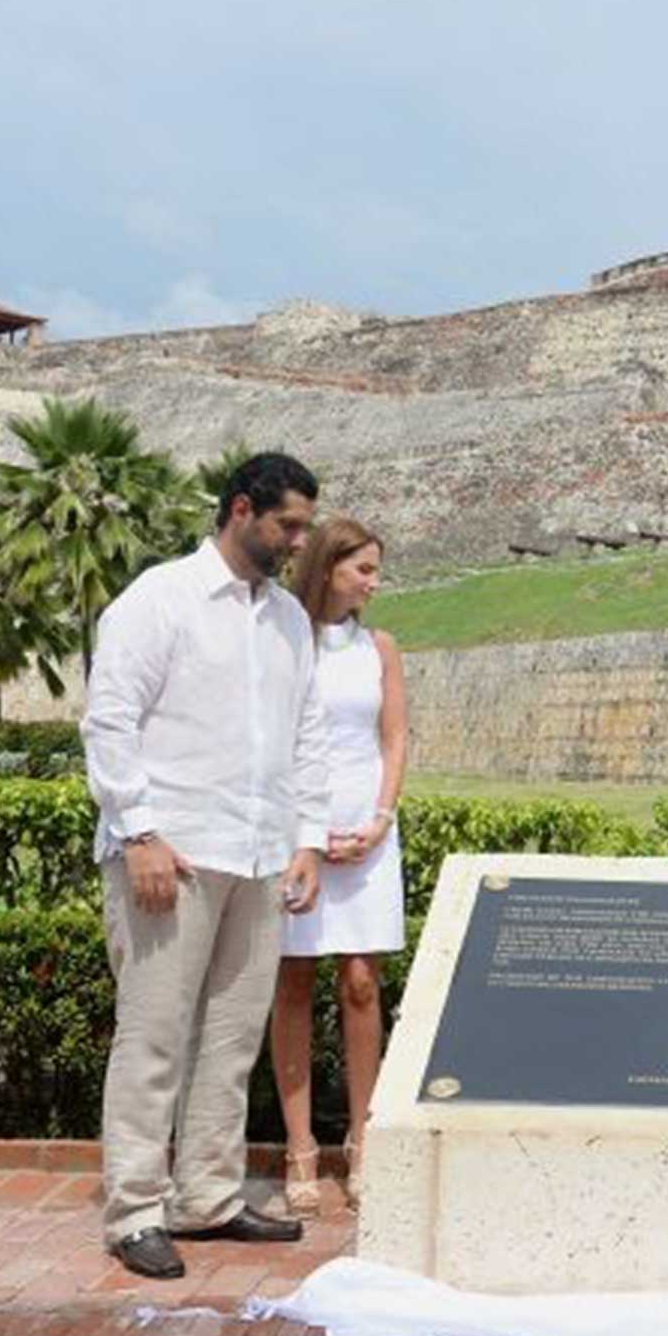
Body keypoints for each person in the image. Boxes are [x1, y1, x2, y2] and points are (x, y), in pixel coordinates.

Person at [81, 452, 332, 1280]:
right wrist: (140, 831)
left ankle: (208, 1197)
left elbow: (306, 737)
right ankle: (135, 1211)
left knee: (230, 1041)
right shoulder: (161, 598)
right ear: (239, 510)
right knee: (153, 1036)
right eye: (286, 525)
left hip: (259, 856)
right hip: (174, 854)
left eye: (304, 527)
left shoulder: (289, 620)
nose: (298, 542)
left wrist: (307, 839)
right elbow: (109, 721)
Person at [270, 518, 408, 1215]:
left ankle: (362, 1138)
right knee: (293, 978)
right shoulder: (283, 641)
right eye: (364, 570)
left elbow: (395, 736)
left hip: (368, 831)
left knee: (360, 982)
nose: (374, 583)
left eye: (377, 571)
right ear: (328, 568)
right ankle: (299, 1147)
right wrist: (310, 834)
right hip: (300, 830)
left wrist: (380, 820)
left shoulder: (379, 647)